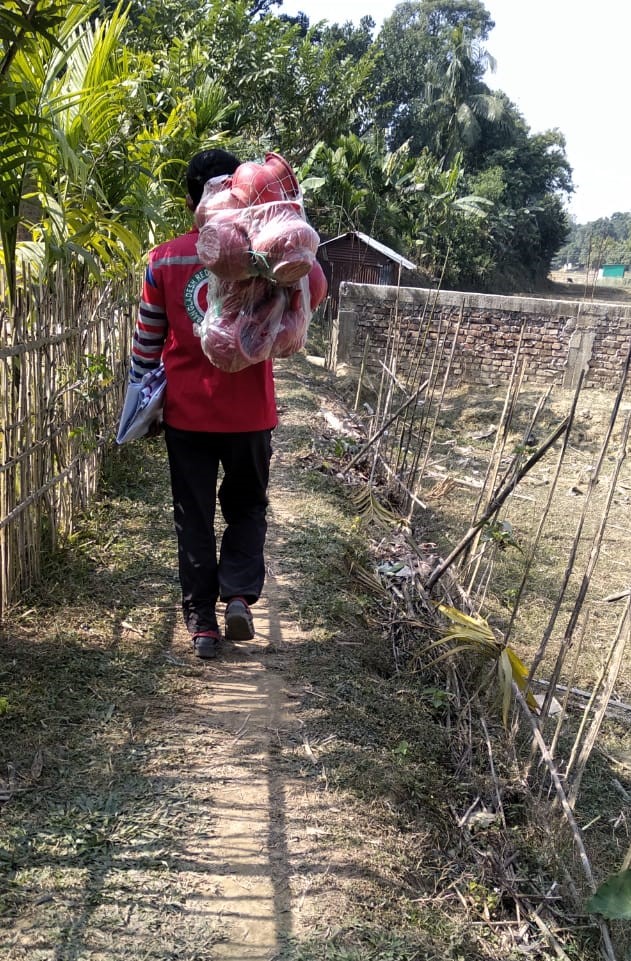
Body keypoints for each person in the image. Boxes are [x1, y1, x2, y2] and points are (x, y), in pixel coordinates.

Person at [129, 148, 278, 659]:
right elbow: (292, 321)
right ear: (239, 189)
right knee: (246, 506)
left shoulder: (164, 259)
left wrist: (140, 404)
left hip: (188, 414)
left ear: (190, 197)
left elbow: (147, 345)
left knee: (192, 513)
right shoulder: (266, 254)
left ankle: (202, 626)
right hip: (250, 412)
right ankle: (237, 593)